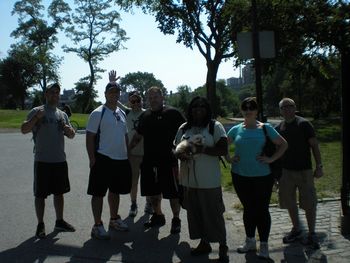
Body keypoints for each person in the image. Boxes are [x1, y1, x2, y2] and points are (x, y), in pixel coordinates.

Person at [226, 97, 288, 259]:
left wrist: (271, 159)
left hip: (262, 177)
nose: (248, 111)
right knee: (248, 209)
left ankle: (265, 245)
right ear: (242, 110)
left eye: (251, 108)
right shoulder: (236, 129)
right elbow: (223, 144)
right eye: (245, 108)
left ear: (256, 111)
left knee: (261, 210)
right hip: (240, 175)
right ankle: (250, 241)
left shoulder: (265, 128)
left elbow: (283, 144)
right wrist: (228, 158)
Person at [174, 96, 229, 262]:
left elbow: (223, 149)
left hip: (209, 180)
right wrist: (182, 154)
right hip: (189, 181)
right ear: (190, 110)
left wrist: (202, 149)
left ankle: (223, 246)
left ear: (207, 109)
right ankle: (204, 243)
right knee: (195, 213)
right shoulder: (184, 128)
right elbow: (176, 149)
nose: (198, 109)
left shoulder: (214, 126)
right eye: (194, 106)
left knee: (214, 214)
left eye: (202, 106)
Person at [21, 83, 76, 239]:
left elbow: (71, 135)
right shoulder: (36, 111)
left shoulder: (62, 114)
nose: (55, 95)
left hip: (59, 160)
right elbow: (24, 129)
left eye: (57, 93)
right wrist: (35, 118)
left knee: (60, 193)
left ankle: (59, 221)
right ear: (46, 94)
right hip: (42, 160)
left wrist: (68, 130)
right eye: (52, 92)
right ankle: (40, 224)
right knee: (40, 195)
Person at [129, 86, 186, 234]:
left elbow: (186, 132)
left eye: (156, 97)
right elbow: (138, 136)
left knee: (173, 194)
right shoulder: (145, 116)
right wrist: (128, 150)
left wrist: (184, 149)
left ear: (162, 97)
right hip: (149, 161)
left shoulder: (173, 113)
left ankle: (176, 219)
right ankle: (159, 215)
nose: (153, 100)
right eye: (150, 97)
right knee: (153, 194)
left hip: (168, 161)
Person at [86, 81, 132, 240]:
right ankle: (97, 225)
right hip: (103, 158)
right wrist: (92, 158)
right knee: (98, 193)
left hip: (120, 158)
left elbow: (125, 136)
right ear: (105, 94)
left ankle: (114, 219)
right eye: (111, 92)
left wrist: (128, 155)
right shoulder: (98, 112)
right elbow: (90, 137)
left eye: (116, 92)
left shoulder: (121, 112)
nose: (114, 94)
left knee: (115, 191)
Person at [276, 98, 323, 249]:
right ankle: (296, 229)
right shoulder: (278, 127)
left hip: (304, 171)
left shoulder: (304, 124)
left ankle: (312, 233)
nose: (287, 109)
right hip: (286, 171)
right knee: (289, 202)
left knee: (309, 202)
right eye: (284, 107)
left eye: (290, 106)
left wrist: (319, 166)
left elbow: (314, 146)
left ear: (295, 108)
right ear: (280, 110)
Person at [109, 70, 153, 216]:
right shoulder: (127, 112)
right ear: (129, 102)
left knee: (148, 181)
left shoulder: (148, 113)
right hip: (133, 154)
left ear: (142, 101)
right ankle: (133, 205)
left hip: (147, 153)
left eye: (137, 100)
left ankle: (149, 203)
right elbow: (114, 99)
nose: (135, 103)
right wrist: (113, 83)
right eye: (132, 101)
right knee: (133, 182)